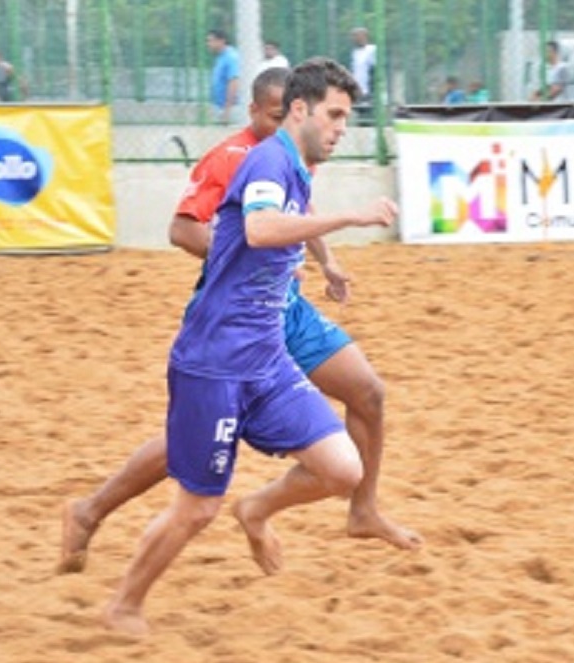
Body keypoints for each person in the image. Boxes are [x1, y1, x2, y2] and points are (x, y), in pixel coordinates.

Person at [58, 66, 420, 577]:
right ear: (266, 112)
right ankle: (91, 510)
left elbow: (300, 206)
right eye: (273, 115)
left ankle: (359, 510)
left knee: (368, 394)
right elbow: (184, 229)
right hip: (237, 318)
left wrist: (326, 261)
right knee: (192, 443)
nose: (280, 124)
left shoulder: (297, 156)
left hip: (284, 310)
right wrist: (241, 259)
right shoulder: (238, 158)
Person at [206, 29, 241, 125]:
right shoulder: (221, 57)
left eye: (211, 41)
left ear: (221, 41)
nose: (208, 44)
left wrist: (227, 109)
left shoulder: (231, 57)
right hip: (221, 107)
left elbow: (234, 82)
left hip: (232, 108)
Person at [349, 27, 377, 101]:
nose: (353, 39)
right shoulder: (355, 52)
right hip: (357, 91)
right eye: (352, 36)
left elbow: (375, 70)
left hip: (368, 92)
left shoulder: (372, 50)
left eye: (356, 36)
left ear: (364, 37)